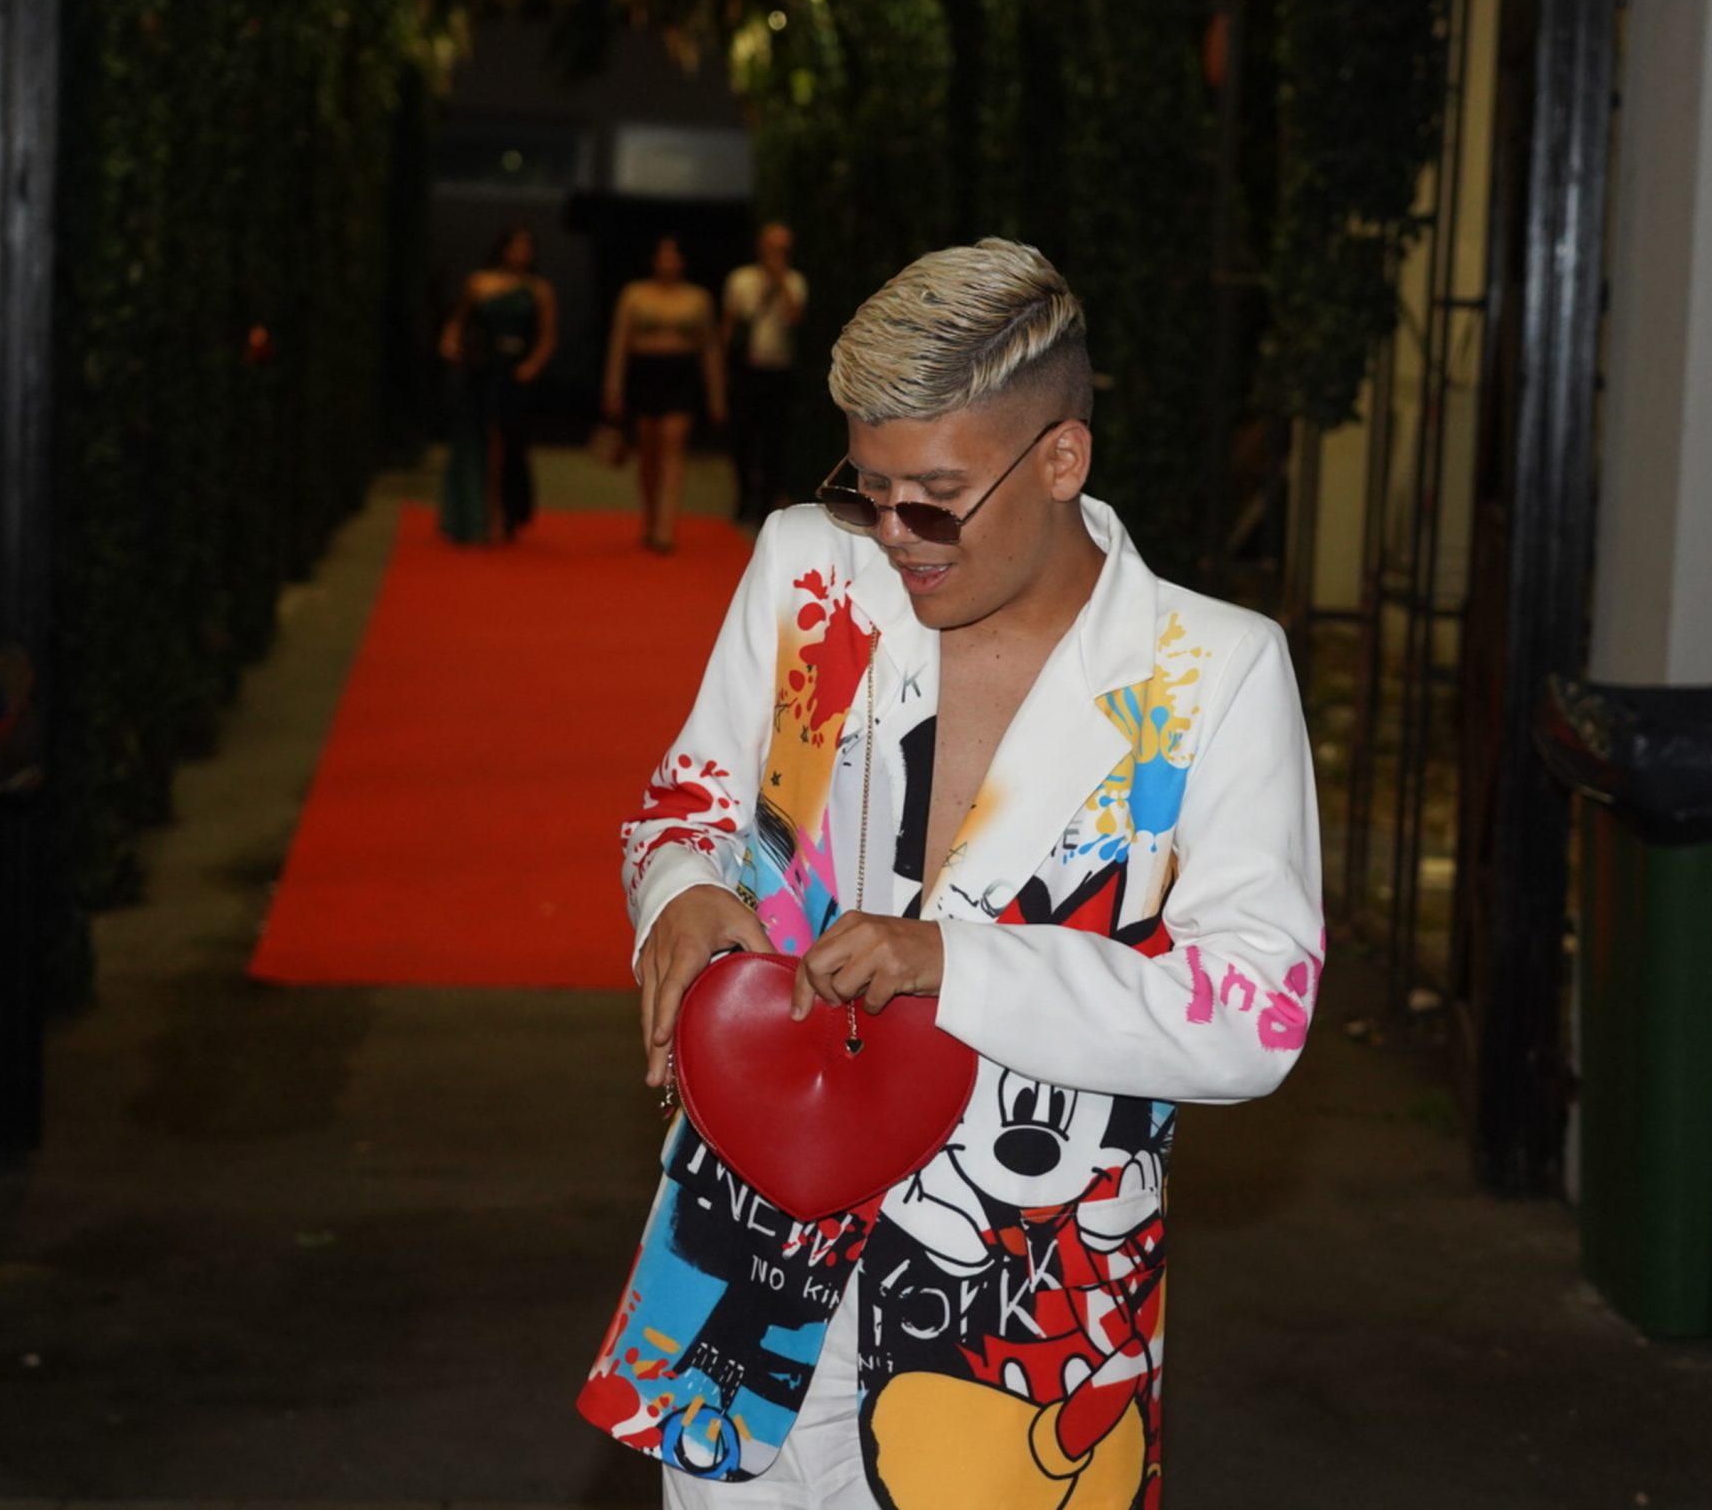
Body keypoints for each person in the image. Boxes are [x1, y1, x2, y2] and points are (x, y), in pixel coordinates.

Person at [579, 239, 1326, 1508]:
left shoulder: (1210, 672)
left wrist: (955, 964)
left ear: (1061, 458)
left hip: (1023, 1320)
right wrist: (684, 892)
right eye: (867, 489)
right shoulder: (809, 572)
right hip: (743, 1248)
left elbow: (1257, 1013)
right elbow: (686, 807)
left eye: (934, 497)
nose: (894, 535)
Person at [603, 234, 728, 554]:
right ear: (654, 259)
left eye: (674, 256)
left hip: (680, 374)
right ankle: (650, 516)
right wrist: (613, 386)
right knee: (648, 450)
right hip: (645, 373)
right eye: (663, 255)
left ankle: (665, 526)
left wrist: (716, 393)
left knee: (673, 445)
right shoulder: (635, 293)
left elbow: (709, 348)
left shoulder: (697, 298)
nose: (668, 262)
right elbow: (619, 342)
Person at [436, 227, 557, 544]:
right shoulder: (479, 283)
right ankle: (480, 512)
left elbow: (547, 336)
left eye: (526, 247)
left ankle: (505, 510)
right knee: (482, 439)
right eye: (515, 246)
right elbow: (457, 322)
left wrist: (532, 366)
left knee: (509, 441)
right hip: (482, 368)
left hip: (515, 372)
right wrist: (450, 343)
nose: (520, 253)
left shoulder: (538, 289)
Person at [720, 222, 809, 524]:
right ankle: (744, 495)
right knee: (742, 436)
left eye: (783, 248)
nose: (776, 253)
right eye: (772, 247)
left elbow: (795, 318)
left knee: (775, 439)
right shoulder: (741, 279)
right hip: (746, 369)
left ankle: (767, 501)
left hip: (779, 369)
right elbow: (729, 325)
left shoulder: (795, 281)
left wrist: (780, 281)